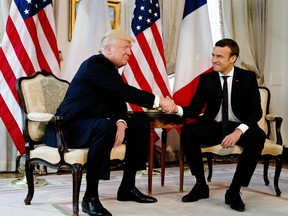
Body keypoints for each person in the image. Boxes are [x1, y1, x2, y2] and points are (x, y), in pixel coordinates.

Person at [44, 29, 176, 216]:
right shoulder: (95, 64)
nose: (129, 53)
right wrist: (159, 101)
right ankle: (89, 198)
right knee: (105, 126)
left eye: (130, 49)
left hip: (92, 125)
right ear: (107, 49)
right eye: (125, 48)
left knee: (139, 123)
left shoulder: (110, 70)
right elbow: (123, 91)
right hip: (67, 128)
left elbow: (118, 101)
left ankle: (127, 188)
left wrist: (121, 122)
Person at [174, 38, 266, 212]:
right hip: (214, 126)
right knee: (188, 132)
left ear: (233, 59)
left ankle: (234, 190)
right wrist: (176, 108)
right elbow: (194, 109)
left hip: (239, 126)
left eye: (219, 56)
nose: (214, 60)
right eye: (213, 55)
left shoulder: (247, 77)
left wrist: (239, 131)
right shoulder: (207, 79)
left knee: (258, 137)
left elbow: (256, 112)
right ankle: (201, 185)